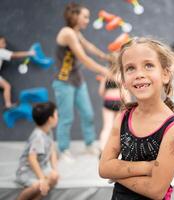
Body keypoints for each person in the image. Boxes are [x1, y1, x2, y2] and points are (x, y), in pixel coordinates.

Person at [99, 37, 174, 200]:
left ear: (165, 74)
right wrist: (146, 167)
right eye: (130, 68)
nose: (139, 74)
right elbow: (104, 168)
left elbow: (156, 191)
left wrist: (117, 175)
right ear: (123, 80)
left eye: (149, 65)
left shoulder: (172, 127)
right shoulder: (124, 117)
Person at [52, 2, 110, 161]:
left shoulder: (75, 32)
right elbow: (83, 58)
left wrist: (104, 56)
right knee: (66, 118)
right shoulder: (67, 33)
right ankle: (63, 150)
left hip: (77, 80)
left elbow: (88, 47)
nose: (87, 20)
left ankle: (89, 143)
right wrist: (104, 71)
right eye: (85, 16)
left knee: (88, 114)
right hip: (64, 82)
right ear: (75, 16)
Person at [15, 102, 59, 200]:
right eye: (56, 114)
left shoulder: (48, 131)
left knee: (54, 177)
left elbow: (52, 152)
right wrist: (42, 178)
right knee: (38, 185)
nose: (58, 117)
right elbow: (32, 159)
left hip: (41, 167)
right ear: (50, 119)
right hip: (27, 171)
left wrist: (54, 170)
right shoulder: (38, 136)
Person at [0, 35, 34, 110]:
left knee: (6, 86)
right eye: (2, 43)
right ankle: (8, 105)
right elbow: (14, 55)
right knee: (7, 86)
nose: (5, 44)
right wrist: (29, 53)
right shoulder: (1, 52)